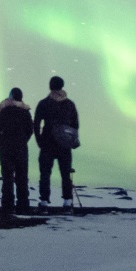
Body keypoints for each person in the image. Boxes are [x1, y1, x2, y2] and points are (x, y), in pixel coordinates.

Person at [34, 75, 79, 208]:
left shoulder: (44, 103)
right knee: (66, 174)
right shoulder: (70, 104)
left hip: (47, 142)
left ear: (51, 86)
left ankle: (44, 201)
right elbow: (75, 125)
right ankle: (68, 201)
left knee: (45, 173)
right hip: (64, 144)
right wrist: (70, 139)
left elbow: (36, 124)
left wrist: (39, 141)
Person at [0, 87, 34, 212]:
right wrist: (23, 141)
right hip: (21, 148)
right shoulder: (25, 112)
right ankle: (23, 205)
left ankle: (7, 205)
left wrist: (1, 143)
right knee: (22, 176)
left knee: (7, 177)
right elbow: (30, 130)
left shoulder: (3, 110)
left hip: (6, 148)